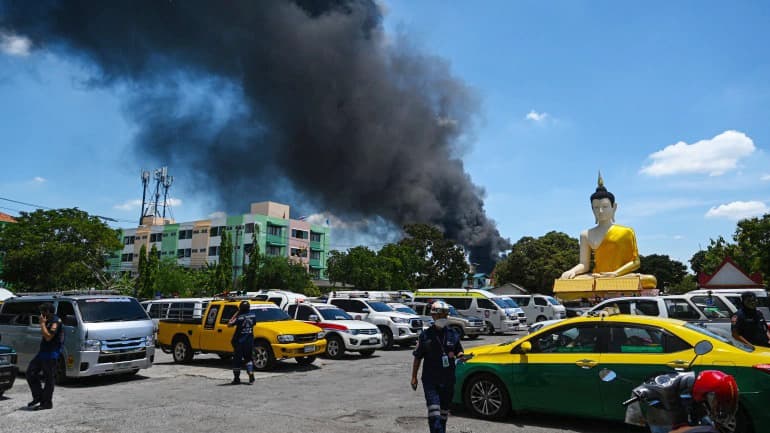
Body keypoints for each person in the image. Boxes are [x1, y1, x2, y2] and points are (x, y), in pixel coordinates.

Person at [410, 301, 465, 433]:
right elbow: (418, 357)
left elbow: (459, 350)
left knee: (443, 414)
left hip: (448, 380)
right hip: (431, 380)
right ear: (433, 316)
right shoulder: (425, 336)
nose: (443, 317)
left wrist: (461, 356)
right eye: (440, 314)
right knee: (434, 414)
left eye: (445, 314)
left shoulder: (452, 333)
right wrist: (414, 377)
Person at [26, 302, 63, 410]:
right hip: (42, 353)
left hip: (51, 354)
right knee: (30, 373)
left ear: (48, 312)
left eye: (43, 311)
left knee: (49, 379)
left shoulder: (56, 321)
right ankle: (38, 397)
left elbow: (48, 337)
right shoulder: (48, 320)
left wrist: (42, 324)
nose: (41, 314)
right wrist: (43, 323)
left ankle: (47, 403)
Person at [227, 301, 255, 385]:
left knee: (237, 361)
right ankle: (250, 372)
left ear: (241, 309)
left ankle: (236, 379)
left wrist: (237, 313)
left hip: (239, 342)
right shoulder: (253, 316)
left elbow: (229, 324)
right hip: (249, 341)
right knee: (248, 359)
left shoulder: (239, 318)